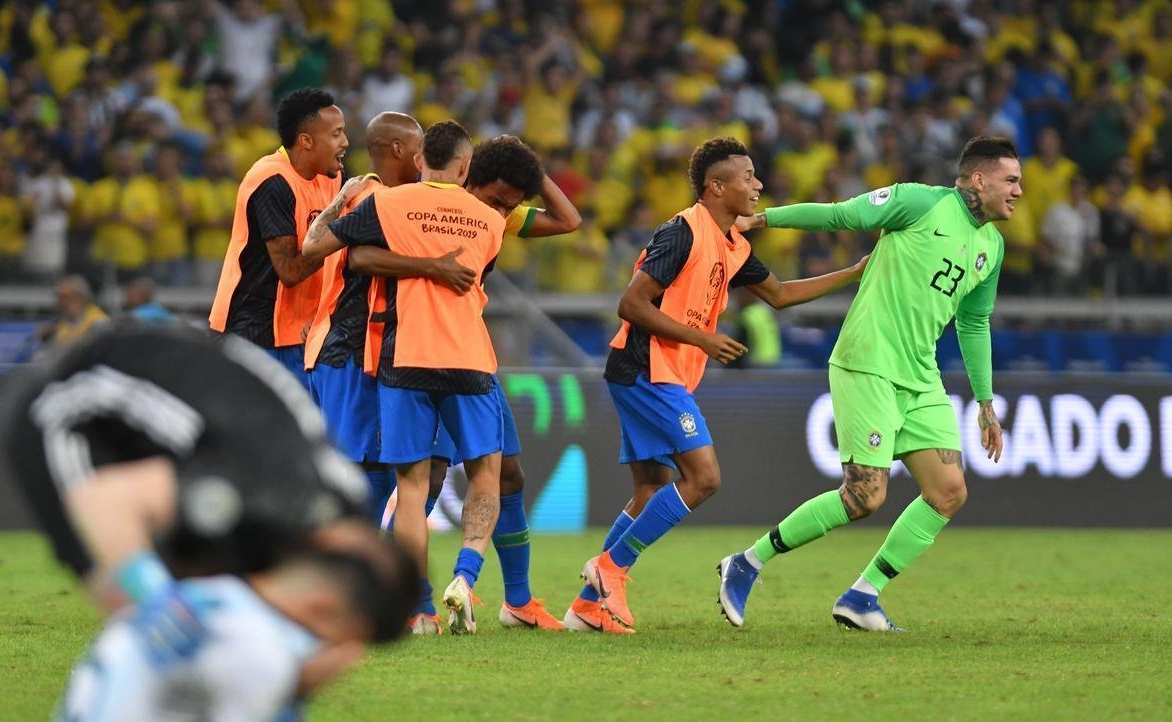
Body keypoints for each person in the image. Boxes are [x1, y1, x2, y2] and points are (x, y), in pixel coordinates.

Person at [717, 136, 1015, 632]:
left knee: (948, 490)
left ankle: (862, 595)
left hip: (920, 375)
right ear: (979, 179)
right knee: (864, 496)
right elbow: (840, 215)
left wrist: (985, 403)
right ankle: (747, 562)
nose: (1019, 191)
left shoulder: (993, 246)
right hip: (868, 361)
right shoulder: (919, 202)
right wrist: (762, 220)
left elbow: (974, 322)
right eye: (1011, 180)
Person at [571, 137, 867, 634]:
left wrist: (855, 273)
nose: (758, 185)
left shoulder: (732, 244)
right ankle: (611, 568)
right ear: (716, 187)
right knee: (704, 478)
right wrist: (702, 339)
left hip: (661, 371)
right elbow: (631, 303)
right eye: (747, 177)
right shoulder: (682, 232)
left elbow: (780, 294)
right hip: (646, 368)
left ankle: (586, 606)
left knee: (650, 488)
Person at [0, 323, 369, 618]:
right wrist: (154, 603)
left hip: (166, 402)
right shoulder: (252, 480)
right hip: (63, 409)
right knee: (127, 593)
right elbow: (104, 501)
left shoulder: (334, 492)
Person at [301, 121, 507, 635]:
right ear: (465, 166)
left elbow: (318, 246)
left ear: (420, 161)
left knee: (410, 488)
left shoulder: (387, 204)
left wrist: (342, 199)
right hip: (468, 357)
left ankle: (419, 609)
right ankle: (465, 577)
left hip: (404, 358)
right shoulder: (490, 220)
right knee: (486, 474)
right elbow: (478, 276)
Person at [47, 543, 419, 722]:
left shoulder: (204, 592)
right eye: (339, 641)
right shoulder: (256, 648)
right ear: (321, 607)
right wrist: (291, 699)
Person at [425, 135, 582, 632]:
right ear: (467, 177)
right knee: (426, 478)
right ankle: (412, 602)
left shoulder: (498, 216)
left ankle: (517, 601)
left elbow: (569, 220)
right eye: (495, 199)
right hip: (425, 355)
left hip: (473, 355)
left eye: (509, 206)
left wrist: (531, 172)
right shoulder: (429, 208)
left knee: (508, 474)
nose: (500, 212)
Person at [300, 112, 426, 533]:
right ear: (398, 150)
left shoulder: (366, 193)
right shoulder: (376, 198)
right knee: (361, 471)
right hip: (350, 348)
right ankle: (346, 559)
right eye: (419, 150)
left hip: (339, 346)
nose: (423, 161)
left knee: (365, 466)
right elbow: (327, 252)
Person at [207, 88, 354, 388]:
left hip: (299, 331)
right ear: (306, 141)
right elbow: (289, 270)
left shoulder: (332, 177)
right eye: (336, 133)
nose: (345, 142)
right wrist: (346, 232)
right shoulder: (273, 180)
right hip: (253, 330)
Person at [39, 276, 109, 353]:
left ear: (81, 298)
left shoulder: (98, 322)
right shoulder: (62, 323)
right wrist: (47, 339)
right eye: (58, 297)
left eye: (65, 297)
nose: (59, 302)